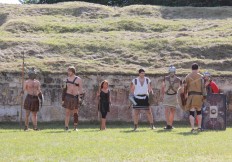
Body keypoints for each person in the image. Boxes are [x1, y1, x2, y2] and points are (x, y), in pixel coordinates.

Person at [184, 63, 207, 132]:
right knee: (199, 112)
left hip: (191, 96)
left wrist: (185, 96)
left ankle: (193, 128)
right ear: (197, 68)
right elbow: (203, 88)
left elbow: (185, 87)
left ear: (191, 68)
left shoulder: (187, 77)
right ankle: (199, 127)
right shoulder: (201, 77)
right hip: (199, 96)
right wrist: (204, 96)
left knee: (191, 112)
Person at [62, 66, 83, 131]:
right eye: (68, 71)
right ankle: (66, 127)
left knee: (75, 113)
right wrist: (63, 99)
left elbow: (80, 89)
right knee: (67, 112)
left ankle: (75, 127)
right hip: (68, 97)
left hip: (75, 97)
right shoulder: (66, 79)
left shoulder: (78, 79)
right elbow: (64, 90)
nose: (68, 72)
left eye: (69, 71)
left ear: (73, 71)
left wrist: (81, 98)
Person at [161, 65, 181, 130]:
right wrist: (162, 95)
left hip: (173, 96)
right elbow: (163, 87)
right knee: (168, 110)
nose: (172, 73)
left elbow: (181, 89)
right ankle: (168, 124)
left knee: (171, 111)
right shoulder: (166, 78)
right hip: (168, 95)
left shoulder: (178, 80)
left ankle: (169, 125)